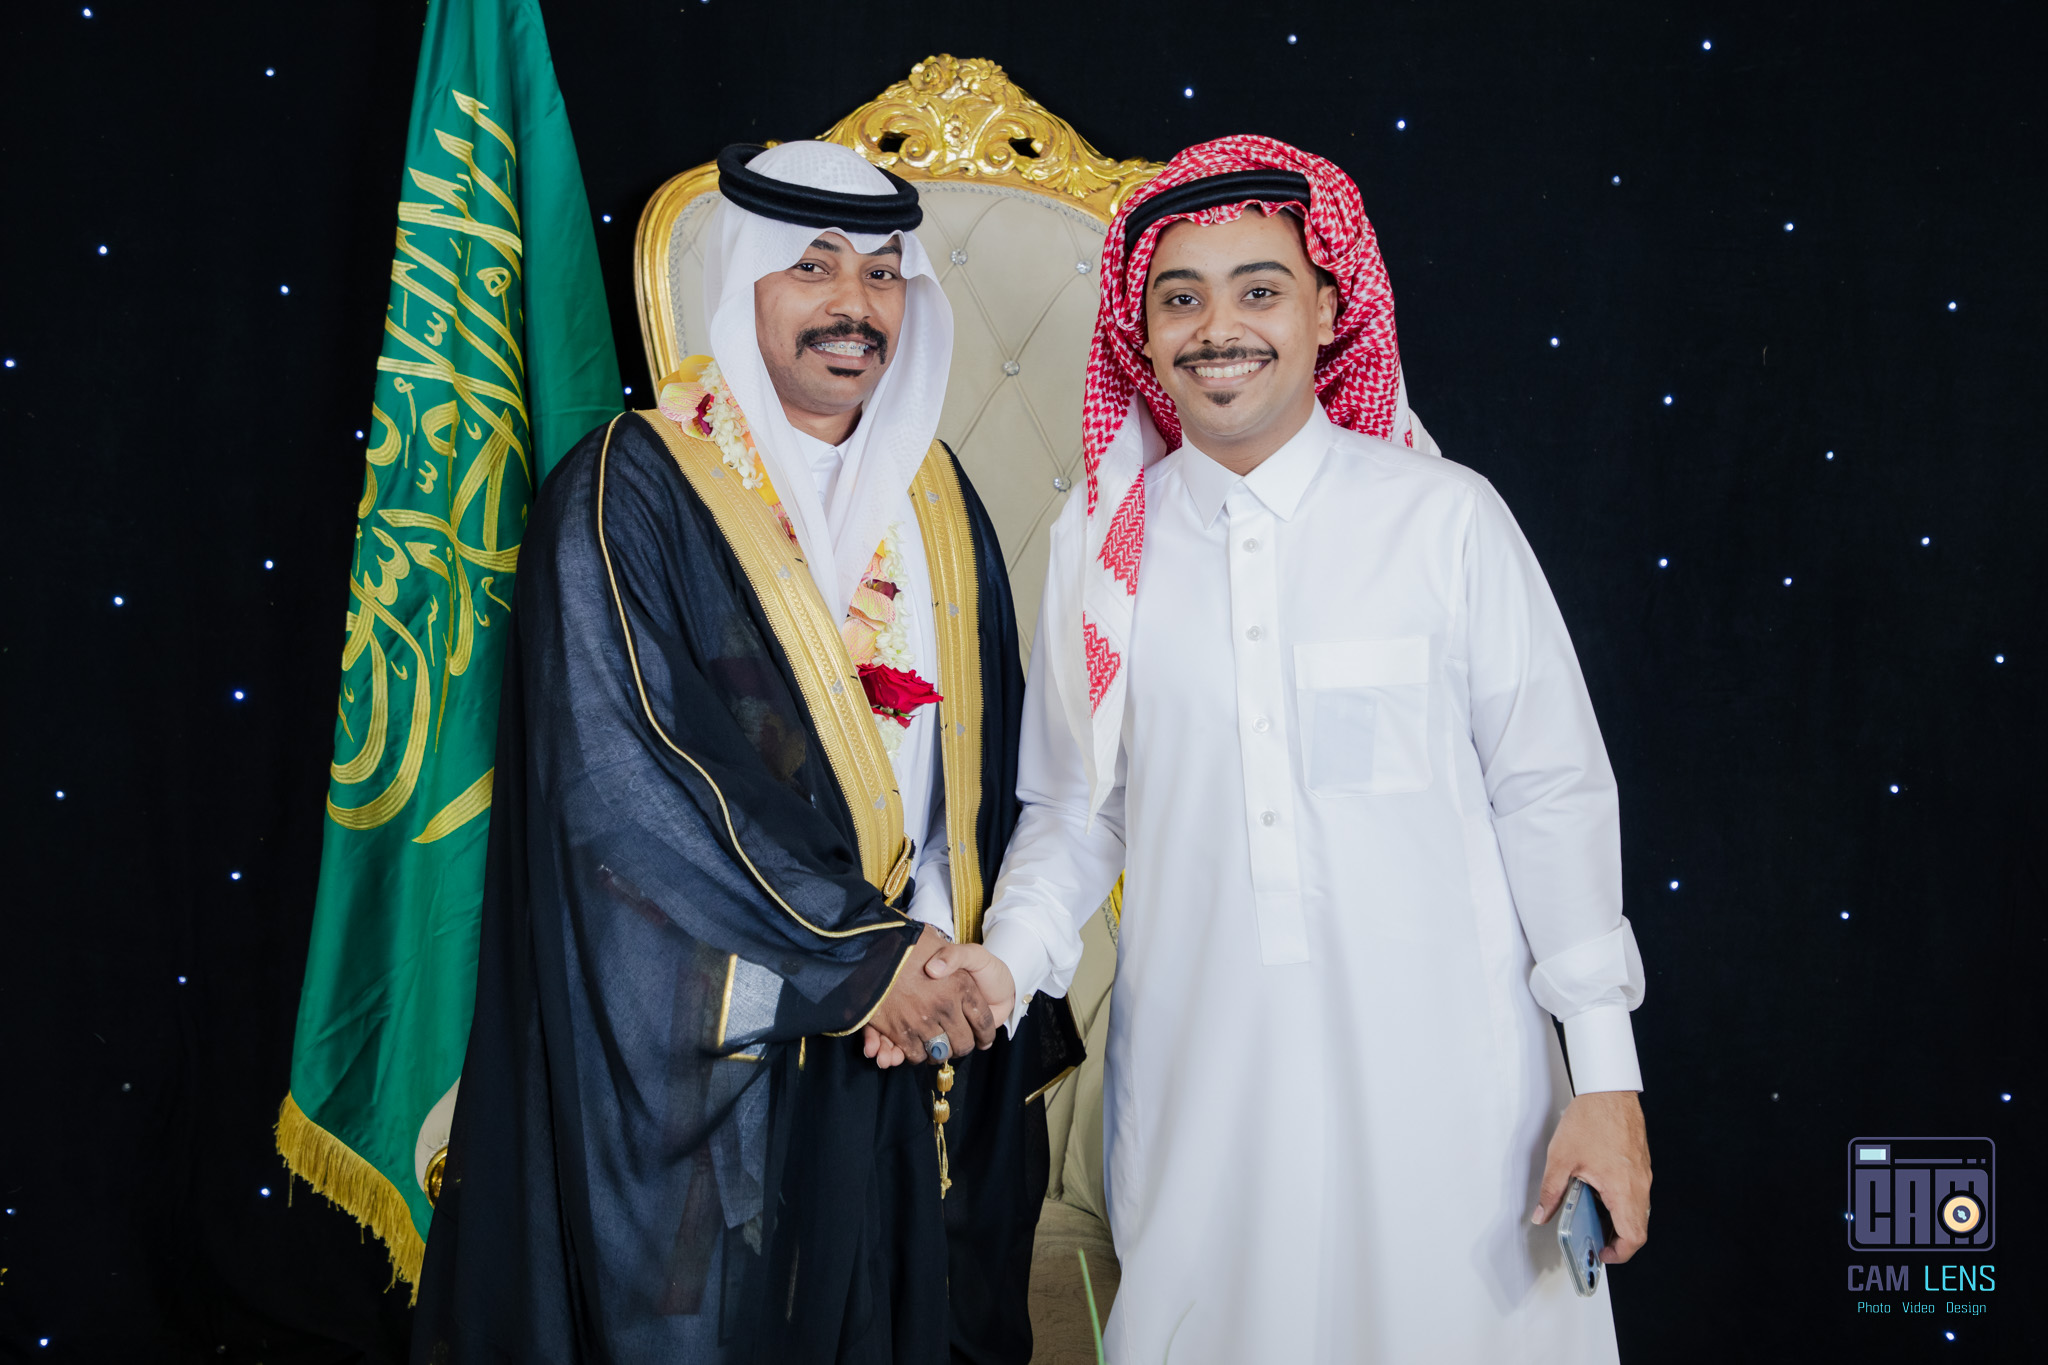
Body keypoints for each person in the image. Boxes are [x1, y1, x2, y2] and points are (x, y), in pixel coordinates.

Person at [927, 136, 1653, 1362]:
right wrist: (1005, 966)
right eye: (1180, 299)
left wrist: (1605, 1080)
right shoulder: (1104, 554)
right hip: (1208, 1098)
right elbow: (1073, 809)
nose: (1219, 328)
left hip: (1457, 1101)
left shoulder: (1441, 519)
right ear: (1141, 336)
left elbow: (1551, 797)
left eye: (1258, 289)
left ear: (1326, 311)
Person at [412, 140, 1076, 1365]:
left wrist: (935, 955)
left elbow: (979, 778)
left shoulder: (937, 498)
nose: (852, 305)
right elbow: (624, 783)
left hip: (913, 1022)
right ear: (743, 282)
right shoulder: (625, 492)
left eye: (881, 274)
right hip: (706, 1032)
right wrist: (856, 958)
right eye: (811, 267)